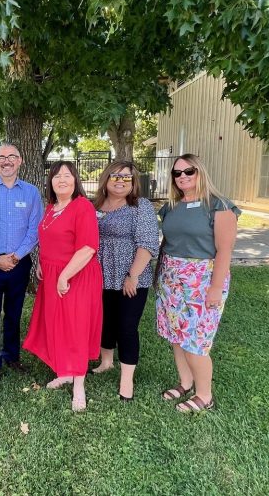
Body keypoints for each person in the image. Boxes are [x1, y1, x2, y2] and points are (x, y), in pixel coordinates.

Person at [157, 154, 240, 412]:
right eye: (177, 173)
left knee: (195, 338)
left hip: (202, 279)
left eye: (188, 171)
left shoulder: (219, 206)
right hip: (170, 277)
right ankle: (185, 382)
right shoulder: (171, 206)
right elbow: (168, 243)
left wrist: (215, 288)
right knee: (176, 334)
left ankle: (205, 395)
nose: (182, 177)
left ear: (200, 172)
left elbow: (224, 251)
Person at [23, 161, 103, 412]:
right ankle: (65, 371)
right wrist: (42, 265)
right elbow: (47, 240)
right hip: (53, 274)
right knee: (57, 324)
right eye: (57, 176)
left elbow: (88, 247)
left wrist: (64, 275)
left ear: (76, 180)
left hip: (76, 275)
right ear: (51, 182)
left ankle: (79, 384)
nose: (62, 180)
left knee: (76, 327)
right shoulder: (51, 208)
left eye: (67, 176)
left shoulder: (83, 207)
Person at [0, 143, 43, 381]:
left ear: (20, 160)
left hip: (19, 264)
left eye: (12, 156)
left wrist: (15, 257)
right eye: (1, 157)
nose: (6, 161)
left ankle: (11, 356)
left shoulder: (31, 192)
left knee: (13, 313)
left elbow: (35, 229)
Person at [91, 162, 159, 401]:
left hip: (131, 277)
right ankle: (106, 361)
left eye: (126, 178)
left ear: (133, 182)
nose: (120, 181)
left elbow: (148, 243)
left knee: (127, 327)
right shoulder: (95, 205)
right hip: (101, 275)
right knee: (105, 322)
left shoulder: (141, 206)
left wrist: (133, 275)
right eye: (115, 176)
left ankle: (126, 379)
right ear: (106, 179)